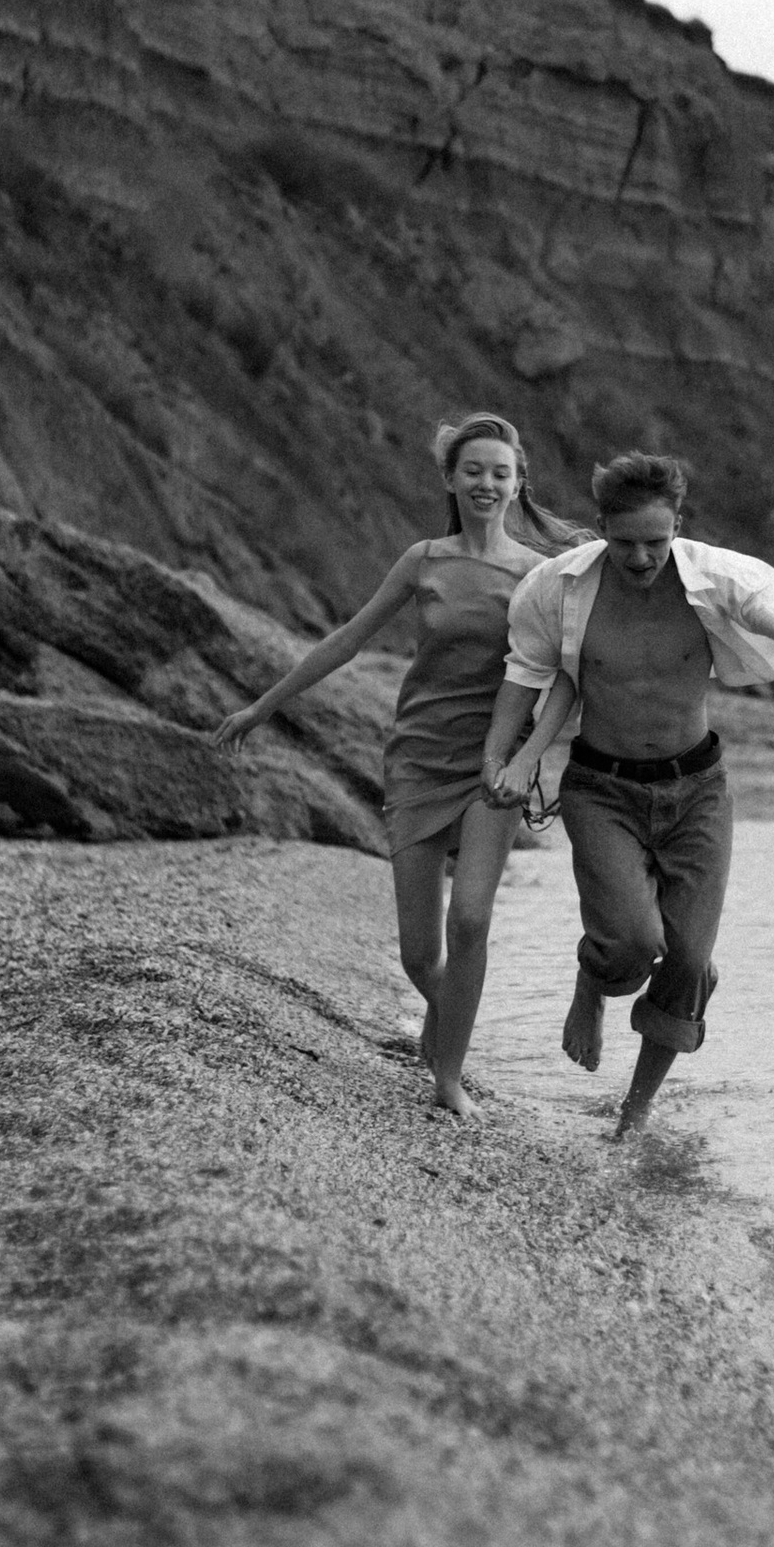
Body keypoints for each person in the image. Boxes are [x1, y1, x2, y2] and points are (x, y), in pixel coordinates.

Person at [477, 446, 774, 1139]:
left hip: (697, 790)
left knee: (691, 961)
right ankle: (596, 977)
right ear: (601, 526)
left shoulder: (722, 578)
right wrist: (504, 763)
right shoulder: (555, 589)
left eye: (656, 542)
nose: (641, 559)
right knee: (633, 945)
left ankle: (635, 1112)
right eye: (625, 542)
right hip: (601, 789)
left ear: (679, 525)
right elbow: (525, 678)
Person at [214, 414, 574, 1119]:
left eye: (501, 472)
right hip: (417, 757)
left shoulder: (539, 575)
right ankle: (450, 1019)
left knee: (470, 919)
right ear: (450, 478)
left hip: (493, 766)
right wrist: (263, 707)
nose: (487, 484)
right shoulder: (424, 561)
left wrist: (536, 754)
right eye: (474, 470)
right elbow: (347, 640)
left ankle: (449, 1075)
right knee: (418, 955)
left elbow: (567, 672)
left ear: (518, 481)